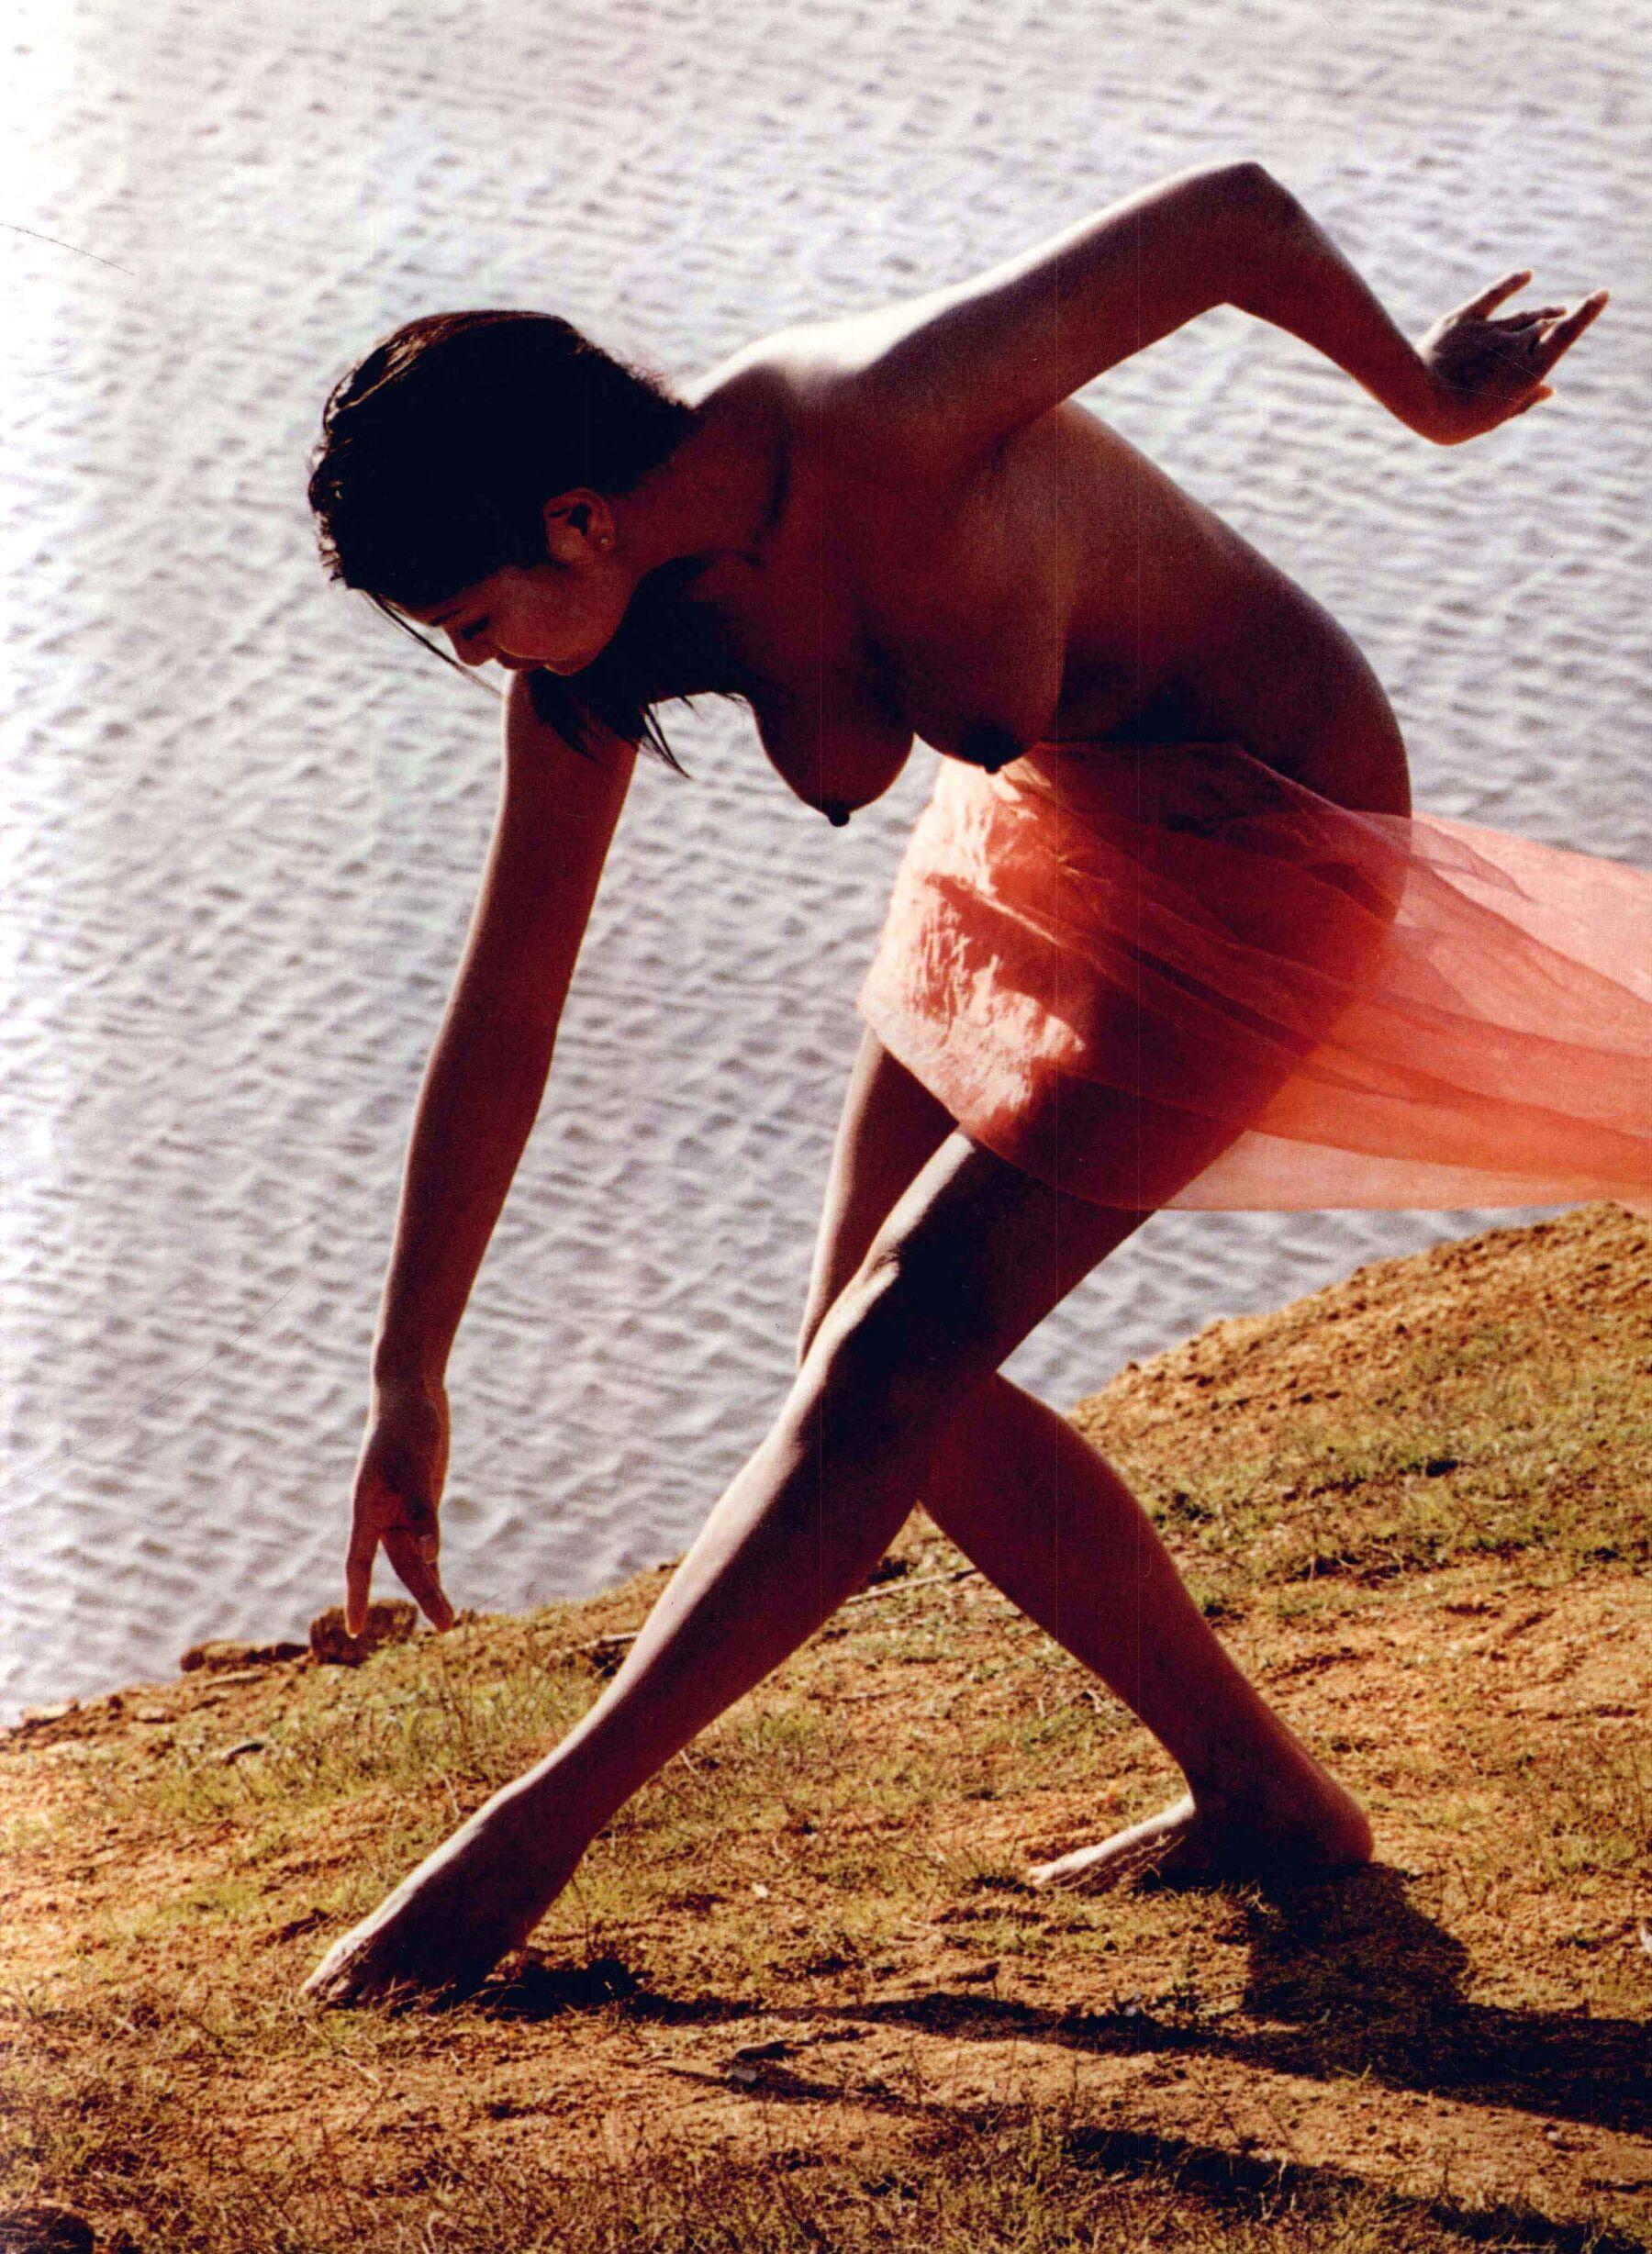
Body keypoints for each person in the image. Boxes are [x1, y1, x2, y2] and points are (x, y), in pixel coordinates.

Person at [300, 161, 1644, 2004]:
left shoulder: (882, 415)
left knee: (892, 1353)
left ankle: (524, 1843)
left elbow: (1234, 221)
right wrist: (408, 1374)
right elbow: (507, 1006)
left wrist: (1427, 399)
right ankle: (1262, 1793)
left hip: (1262, 834)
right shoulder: (600, 658)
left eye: (471, 620)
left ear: (579, 519)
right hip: (1037, 829)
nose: (480, 663)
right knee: (867, 1366)